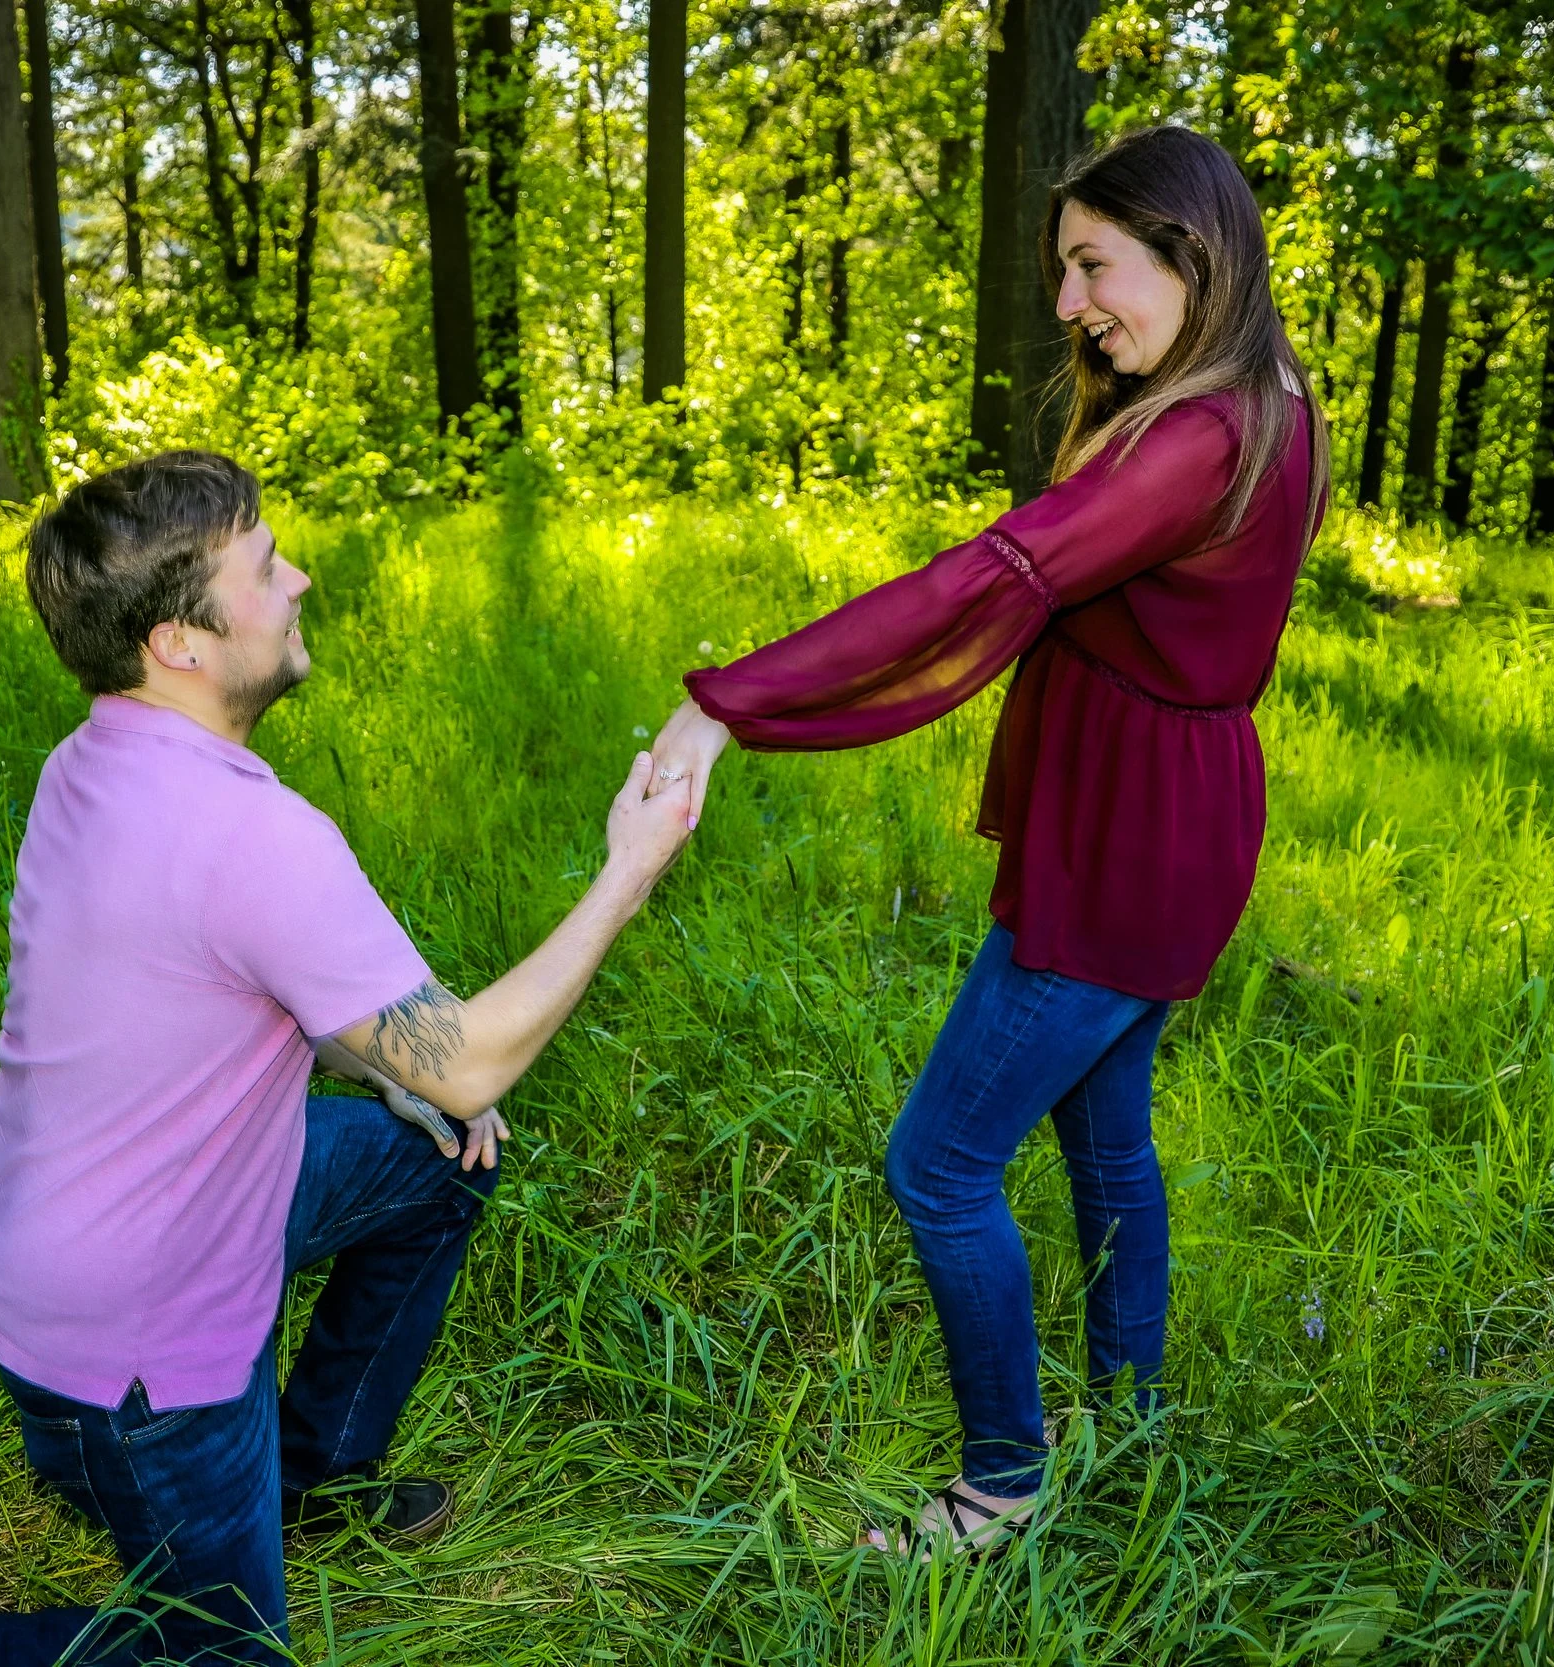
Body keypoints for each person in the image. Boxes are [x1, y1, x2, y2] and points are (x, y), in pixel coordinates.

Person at [0, 451, 696, 1665]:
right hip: (130, 1344)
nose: (300, 577)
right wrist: (627, 871)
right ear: (181, 640)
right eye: (267, 567)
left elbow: (231, 988)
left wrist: (386, 1066)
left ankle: (305, 1482)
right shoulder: (250, 836)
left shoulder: (96, 762)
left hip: (85, 1240)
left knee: (437, 1155)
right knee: (217, 1655)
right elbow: (473, 1062)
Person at [649, 125, 1330, 1557]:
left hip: (1129, 837)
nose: (1072, 301)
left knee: (939, 1162)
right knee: (1107, 1134)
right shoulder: (1261, 394)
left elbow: (991, 578)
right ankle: (1130, 1427)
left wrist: (732, 705)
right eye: (1062, 271)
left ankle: (1002, 1485)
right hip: (1158, 818)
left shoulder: (1196, 436)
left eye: (1094, 264)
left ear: (1187, 252)